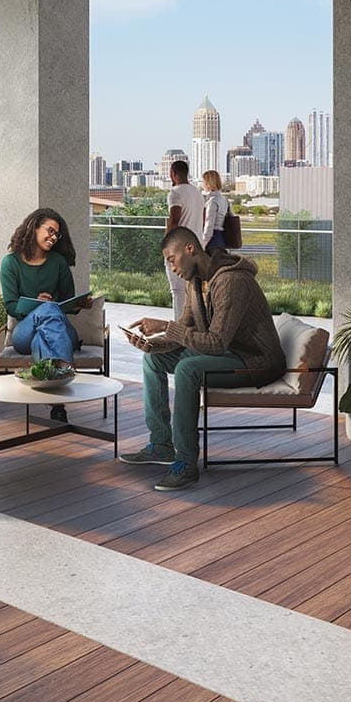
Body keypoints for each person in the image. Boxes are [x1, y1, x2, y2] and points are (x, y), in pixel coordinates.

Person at [122, 227, 285, 492]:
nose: (171, 267)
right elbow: (184, 332)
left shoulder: (232, 281)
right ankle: (162, 445)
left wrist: (165, 324)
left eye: (171, 259)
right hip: (227, 353)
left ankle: (186, 463)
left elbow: (216, 342)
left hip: (256, 361)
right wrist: (153, 346)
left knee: (188, 369)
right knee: (153, 361)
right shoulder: (195, 282)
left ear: (190, 249)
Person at [0, 209, 84, 423]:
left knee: (44, 330)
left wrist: (79, 304)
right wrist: (37, 305)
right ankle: (65, 367)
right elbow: (10, 306)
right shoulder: (11, 263)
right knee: (46, 310)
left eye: (57, 234)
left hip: (60, 330)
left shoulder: (58, 262)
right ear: (34, 227)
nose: (54, 237)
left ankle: (56, 405)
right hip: (23, 333)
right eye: (50, 231)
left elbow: (67, 302)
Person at [163, 160, 206, 308]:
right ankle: (191, 328)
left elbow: (174, 220)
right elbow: (204, 218)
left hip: (179, 250)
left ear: (173, 173)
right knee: (193, 293)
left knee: (177, 292)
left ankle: (178, 329)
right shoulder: (198, 193)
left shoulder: (175, 193)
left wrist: (166, 247)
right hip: (197, 248)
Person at [200, 170, 230, 251]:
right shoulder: (224, 199)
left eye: (203, 181)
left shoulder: (212, 201)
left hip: (212, 240)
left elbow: (209, 224)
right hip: (221, 239)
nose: (202, 184)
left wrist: (203, 244)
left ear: (208, 183)